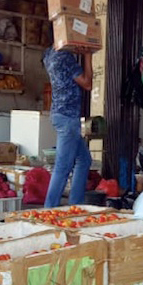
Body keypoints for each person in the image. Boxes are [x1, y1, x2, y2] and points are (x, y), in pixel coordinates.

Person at [43, 48, 92, 208]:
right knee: (63, 166)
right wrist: (87, 55)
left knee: (84, 160)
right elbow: (87, 83)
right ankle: (48, 210)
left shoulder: (49, 55)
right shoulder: (65, 57)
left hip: (59, 114)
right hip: (68, 118)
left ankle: (75, 206)